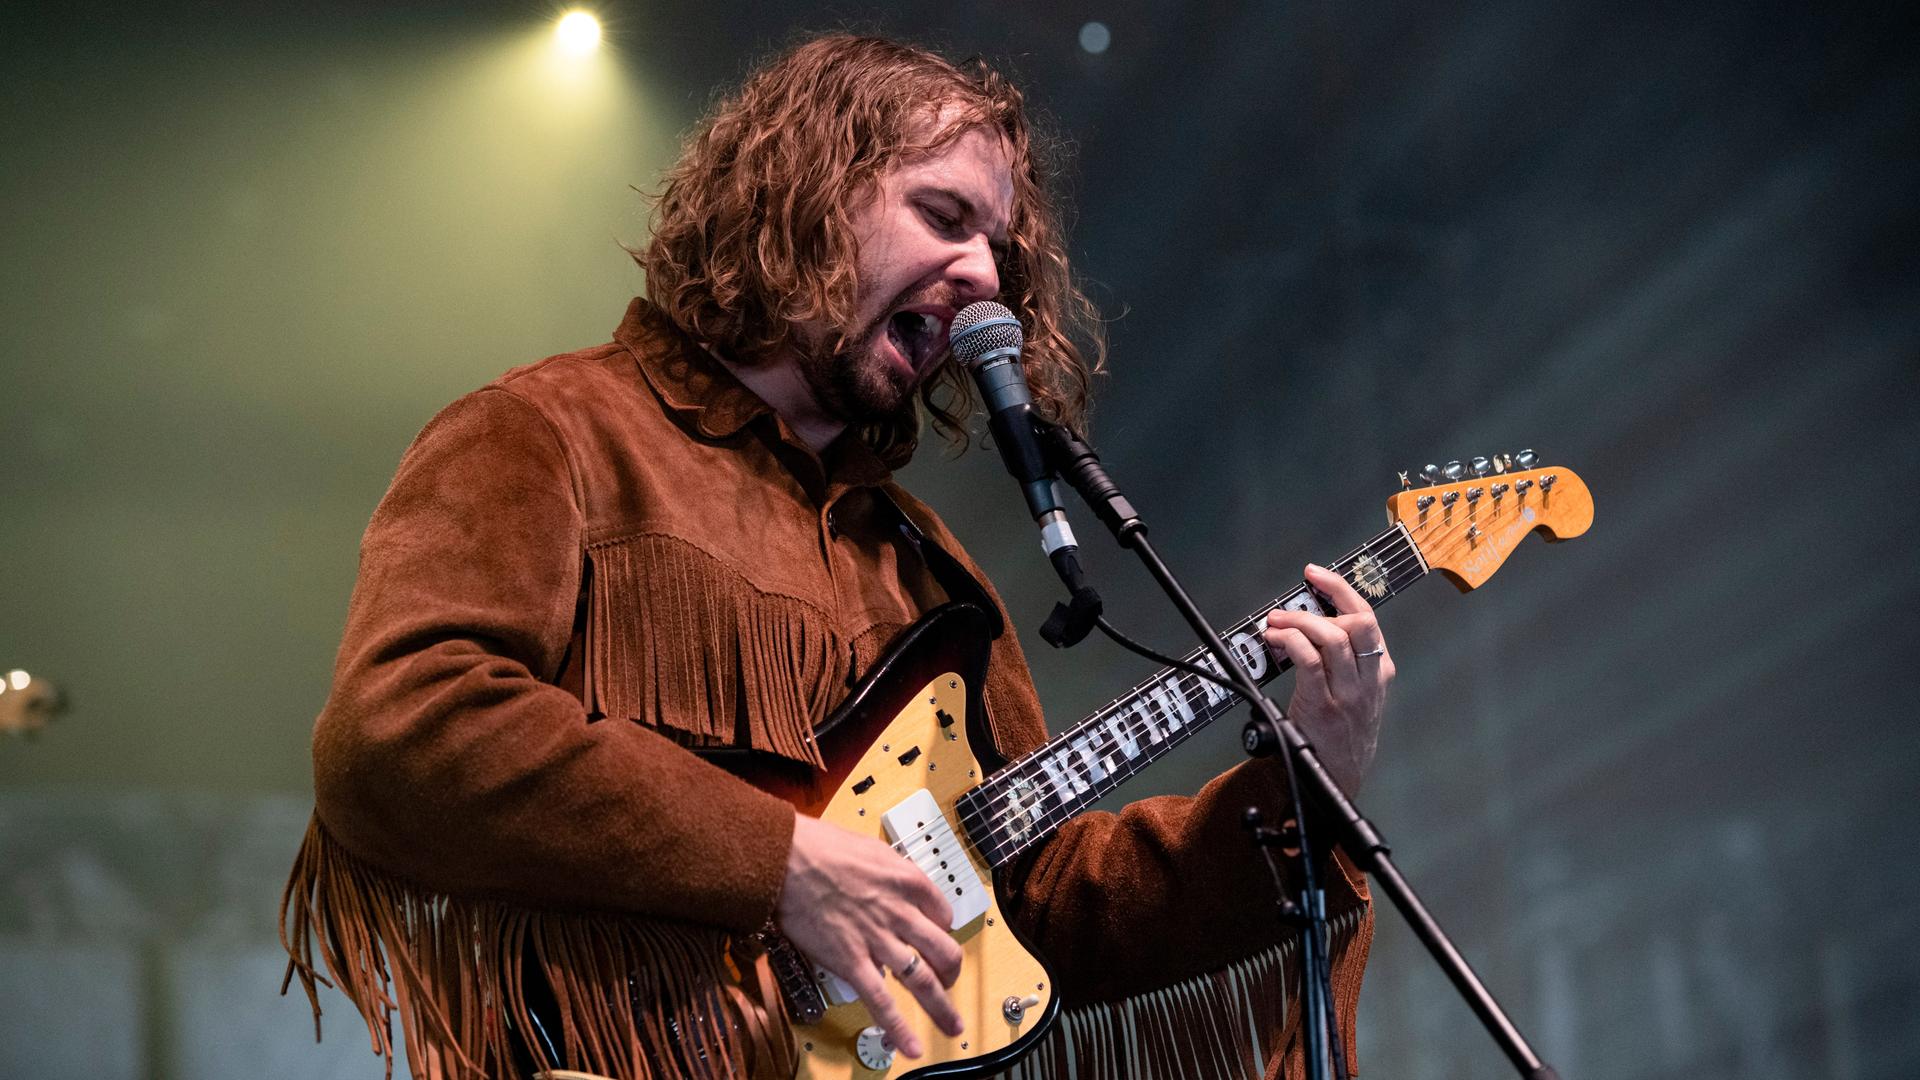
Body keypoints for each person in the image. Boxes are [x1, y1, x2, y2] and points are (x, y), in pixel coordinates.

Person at [280, 33, 1390, 1080]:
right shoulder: (548, 433)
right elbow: (402, 726)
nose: (985, 278)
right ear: (803, 198)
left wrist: (1311, 784)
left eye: (997, 249)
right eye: (944, 216)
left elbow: (1043, 911)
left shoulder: (927, 566)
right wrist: (781, 861)